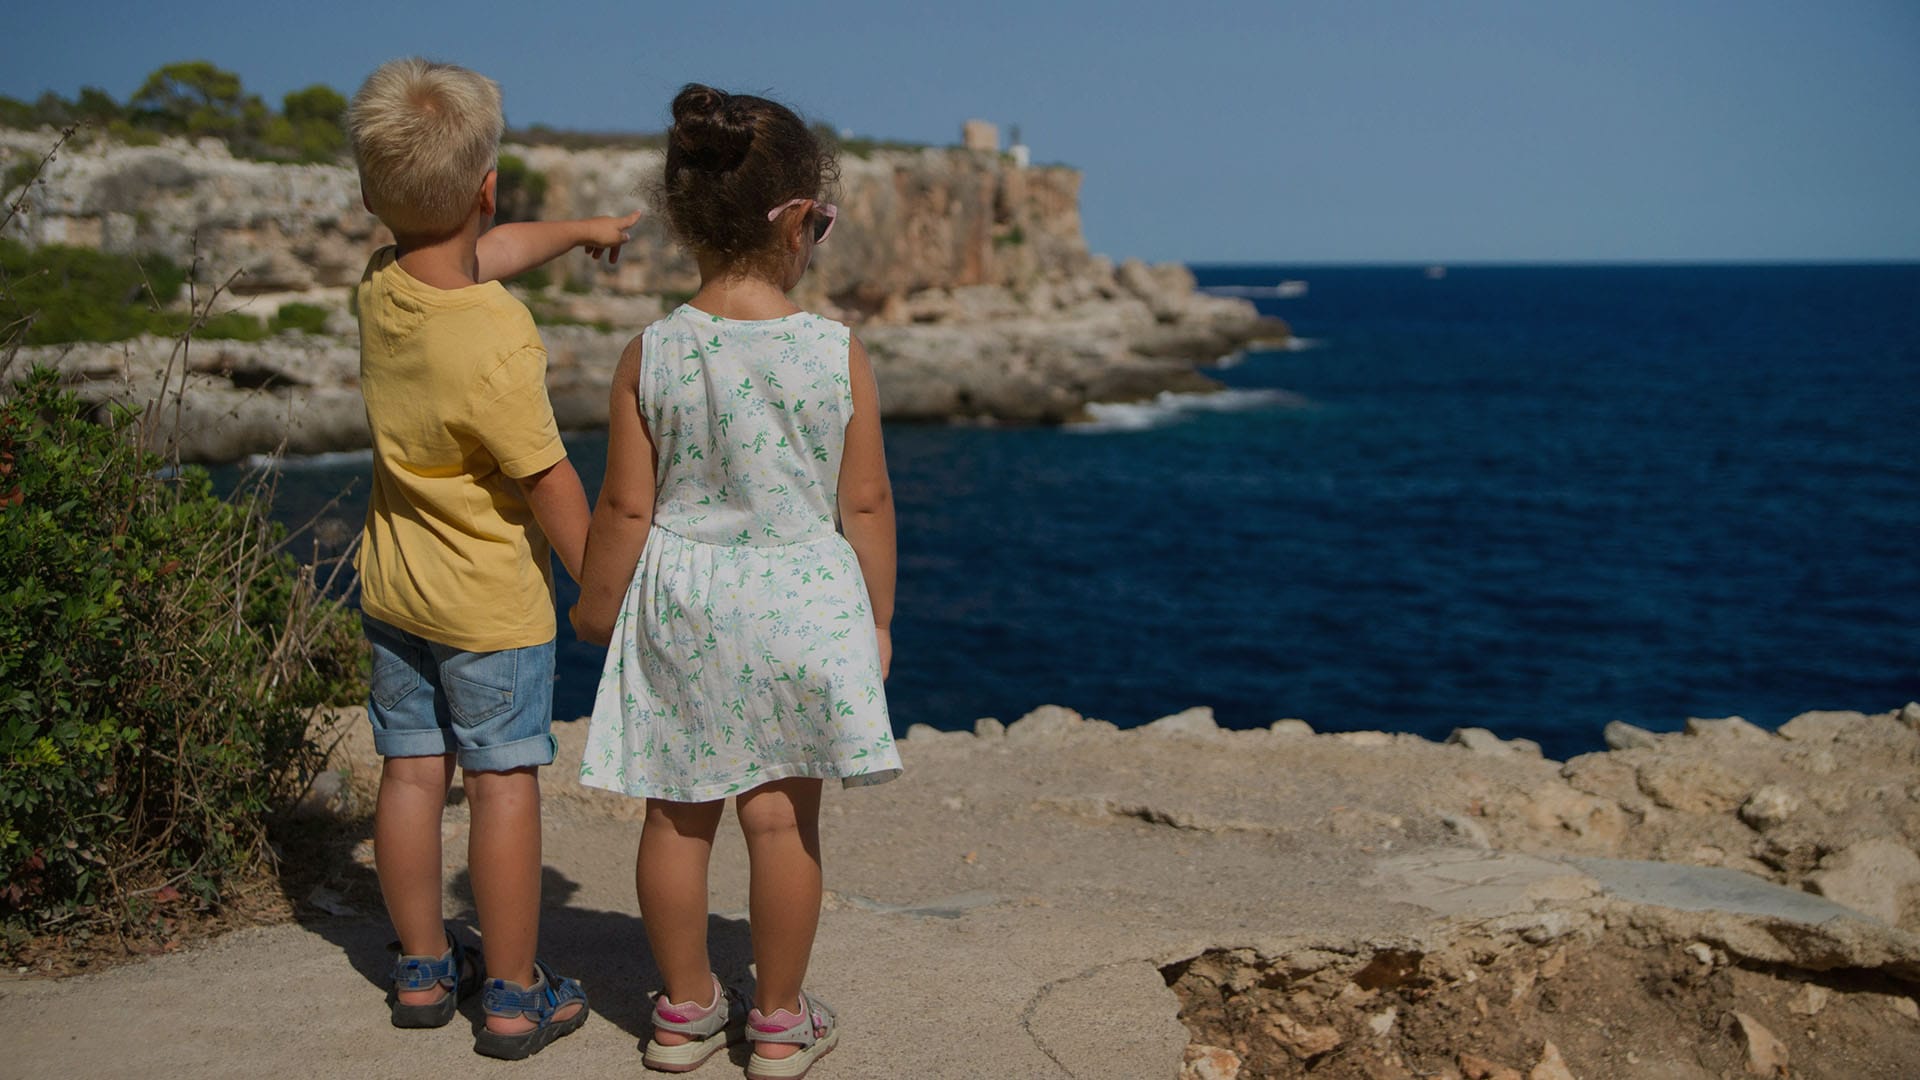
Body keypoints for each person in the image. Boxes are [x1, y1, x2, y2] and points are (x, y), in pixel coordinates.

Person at [570, 83, 903, 1079]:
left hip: (686, 598)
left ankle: (682, 1012)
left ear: (681, 219)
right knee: (781, 818)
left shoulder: (653, 352)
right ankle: (779, 1019)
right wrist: (876, 623)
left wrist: (593, 605)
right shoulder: (834, 351)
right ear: (800, 219)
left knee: (676, 814)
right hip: (800, 600)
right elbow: (869, 503)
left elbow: (626, 507)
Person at [346, 56, 638, 1060]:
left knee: (411, 772)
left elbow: (478, 253)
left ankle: (424, 968)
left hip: (394, 595)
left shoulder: (380, 288)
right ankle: (515, 993)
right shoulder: (497, 338)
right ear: (486, 185)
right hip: (490, 613)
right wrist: (609, 600)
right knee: (504, 783)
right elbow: (550, 480)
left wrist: (581, 233)